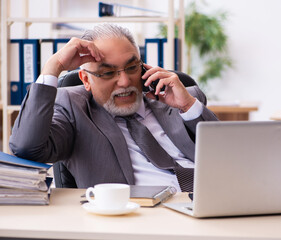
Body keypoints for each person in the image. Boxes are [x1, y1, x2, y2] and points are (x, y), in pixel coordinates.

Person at [9, 23, 218, 192]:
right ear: (86, 80)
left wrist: (187, 105)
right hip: (136, 218)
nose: (125, 81)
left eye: (132, 67)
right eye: (108, 73)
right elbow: (27, 149)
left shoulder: (183, 98)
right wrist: (53, 67)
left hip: (212, 201)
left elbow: (227, 158)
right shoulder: (73, 107)